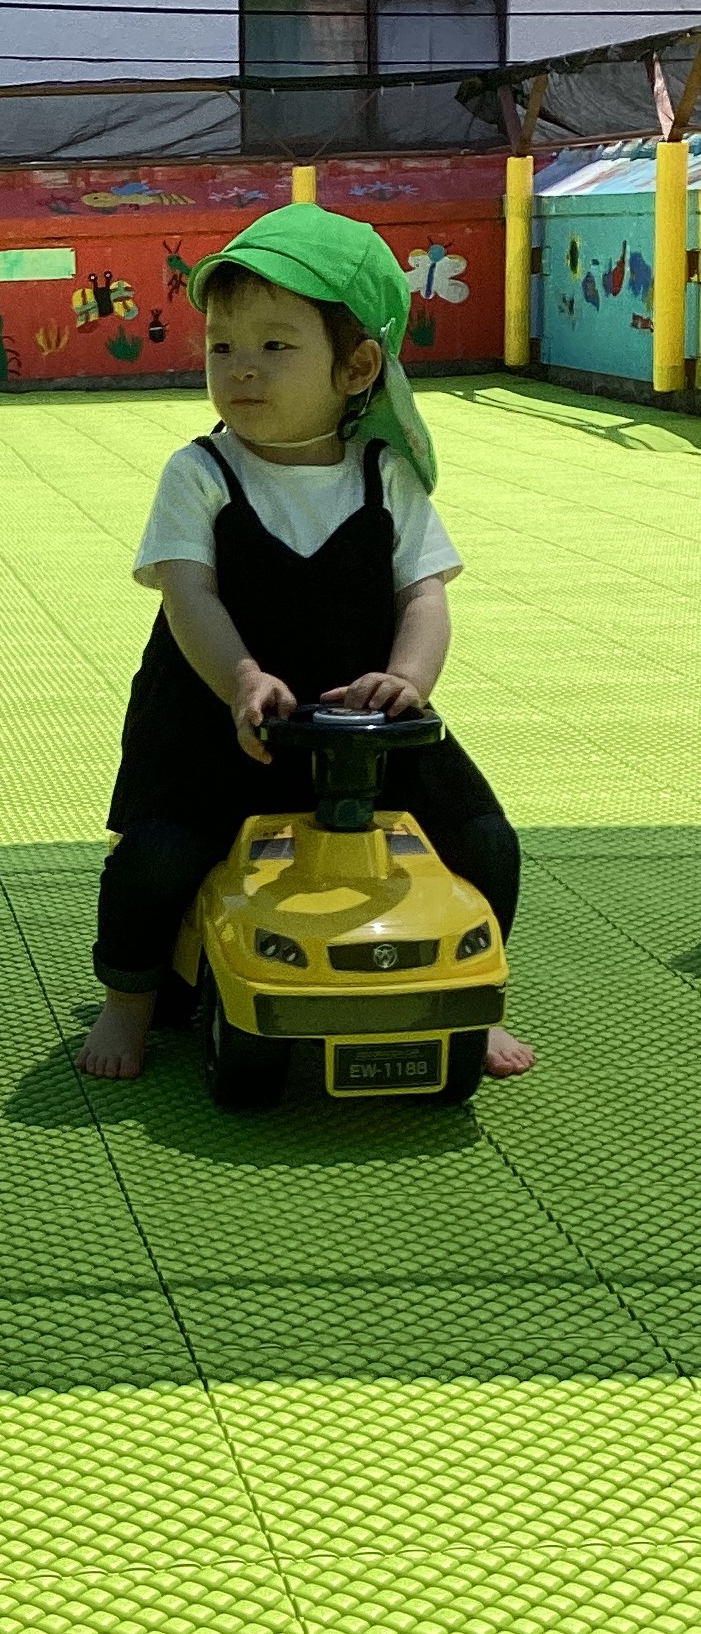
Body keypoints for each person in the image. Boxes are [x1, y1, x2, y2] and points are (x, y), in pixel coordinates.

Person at [77, 202, 535, 1085]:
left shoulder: (384, 477)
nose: (240, 368)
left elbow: (424, 595)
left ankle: (468, 996)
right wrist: (241, 679)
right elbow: (188, 593)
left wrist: (407, 679)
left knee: (483, 840)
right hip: (217, 721)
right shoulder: (200, 472)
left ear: (355, 366)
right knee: (155, 857)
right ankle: (129, 998)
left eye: (274, 346)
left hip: (365, 733)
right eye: (221, 347)